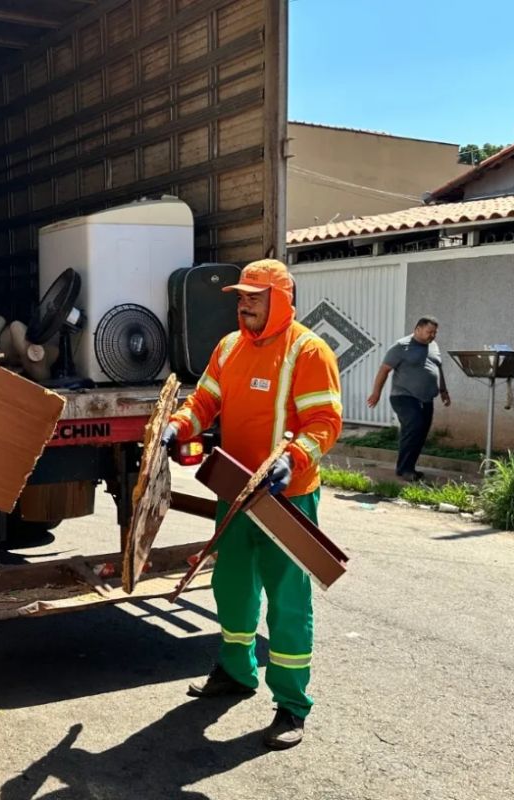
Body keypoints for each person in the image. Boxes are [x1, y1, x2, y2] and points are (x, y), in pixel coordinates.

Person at [160, 259, 342, 750]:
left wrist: (295, 458)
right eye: (241, 297)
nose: (244, 305)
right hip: (236, 490)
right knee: (232, 584)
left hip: (288, 496)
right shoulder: (229, 347)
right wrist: (179, 424)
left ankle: (291, 705)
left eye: (254, 298)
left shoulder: (309, 350)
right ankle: (236, 673)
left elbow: (324, 421)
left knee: (287, 600)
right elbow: (205, 401)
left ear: (279, 299)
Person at [366, 317, 450, 482]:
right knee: (414, 425)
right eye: (429, 332)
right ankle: (405, 469)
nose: (432, 336)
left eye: (434, 333)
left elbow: (438, 368)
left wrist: (443, 391)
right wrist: (376, 393)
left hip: (426, 398)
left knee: (421, 432)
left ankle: (408, 467)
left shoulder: (433, 346)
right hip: (403, 396)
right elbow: (384, 370)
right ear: (418, 329)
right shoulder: (401, 346)